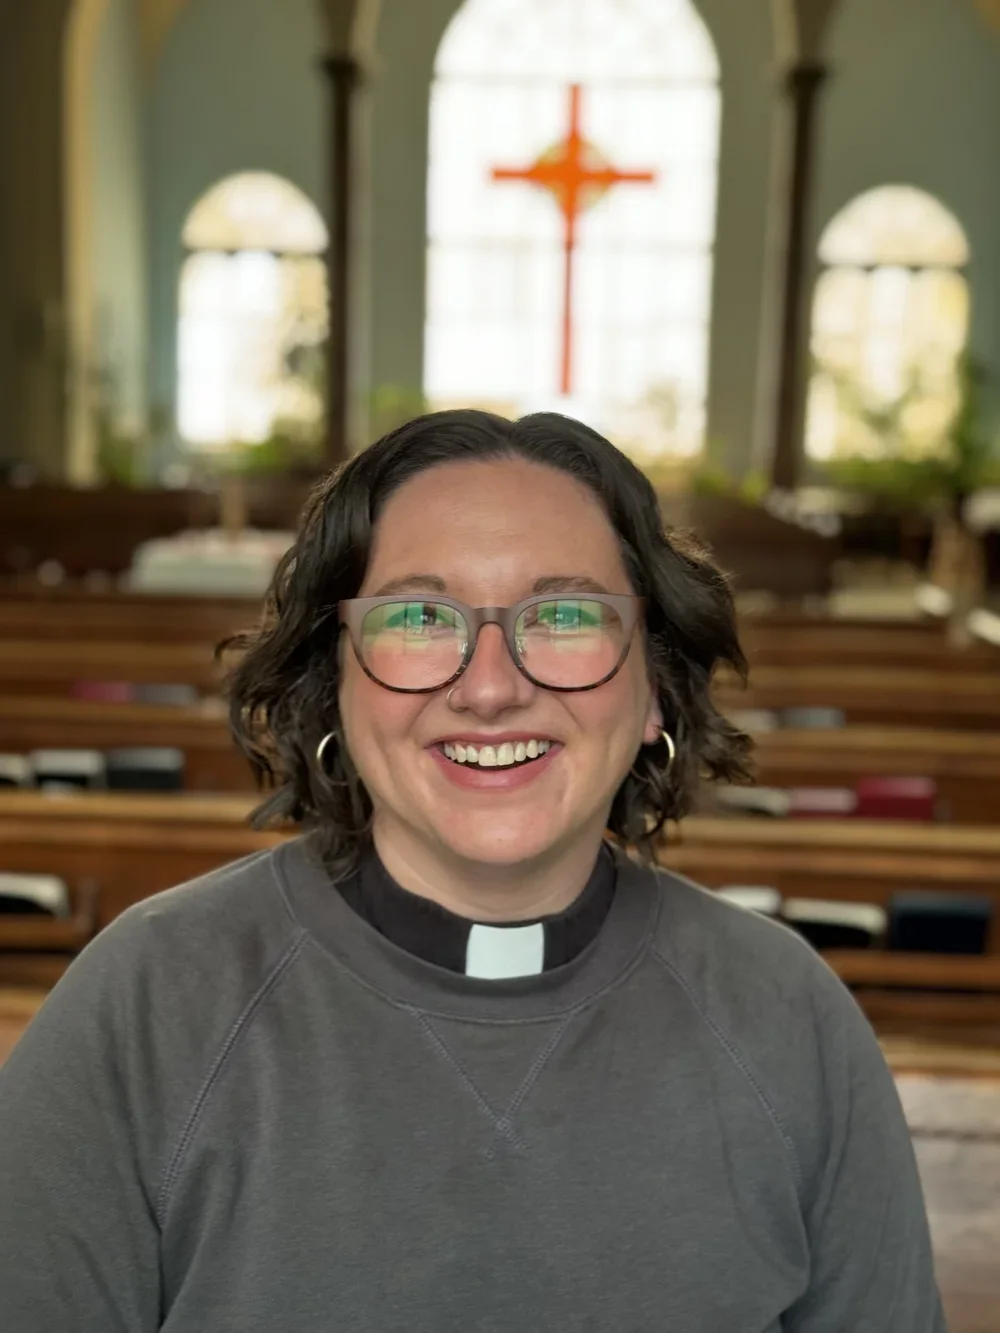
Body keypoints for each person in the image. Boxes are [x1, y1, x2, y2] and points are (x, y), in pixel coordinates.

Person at [0, 410, 945, 1331]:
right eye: (419, 615)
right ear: (334, 681)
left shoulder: (789, 1019)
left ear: (655, 684)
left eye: (565, 613)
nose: (491, 687)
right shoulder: (147, 1005)